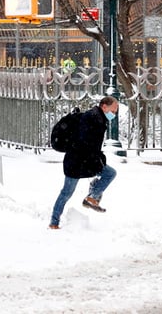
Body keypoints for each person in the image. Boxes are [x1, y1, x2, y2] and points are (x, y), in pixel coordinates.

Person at [49, 96, 119, 229]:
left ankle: (92, 197)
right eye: (113, 110)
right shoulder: (92, 119)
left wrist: (97, 157)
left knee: (109, 173)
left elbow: (92, 145)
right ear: (104, 107)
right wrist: (96, 157)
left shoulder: (98, 119)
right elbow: (84, 142)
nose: (114, 114)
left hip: (87, 161)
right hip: (76, 162)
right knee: (66, 193)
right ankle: (54, 222)